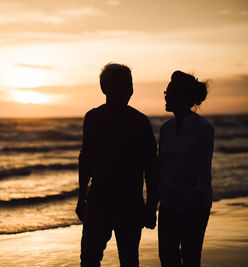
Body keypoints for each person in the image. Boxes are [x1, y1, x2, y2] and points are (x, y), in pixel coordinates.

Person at [76, 63, 158, 267]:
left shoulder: (140, 122)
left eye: (128, 86)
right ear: (105, 89)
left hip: (130, 203)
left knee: (129, 260)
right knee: (89, 259)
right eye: (120, 86)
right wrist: (81, 198)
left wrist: (150, 207)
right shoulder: (93, 118)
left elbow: (152, 168)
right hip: (98, 200)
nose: (126, 91)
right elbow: (86, 159)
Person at [158, 71, 214, 267]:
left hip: (194, 205)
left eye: (170, 92)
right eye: (166, 91)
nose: (165, 96)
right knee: (167, 257)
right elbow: (162, 167)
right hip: (168, 205)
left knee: (190, 257)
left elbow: (202, 170)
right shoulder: (165, 129)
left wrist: (196, 207)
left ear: (185, 98)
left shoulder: (203, 128)